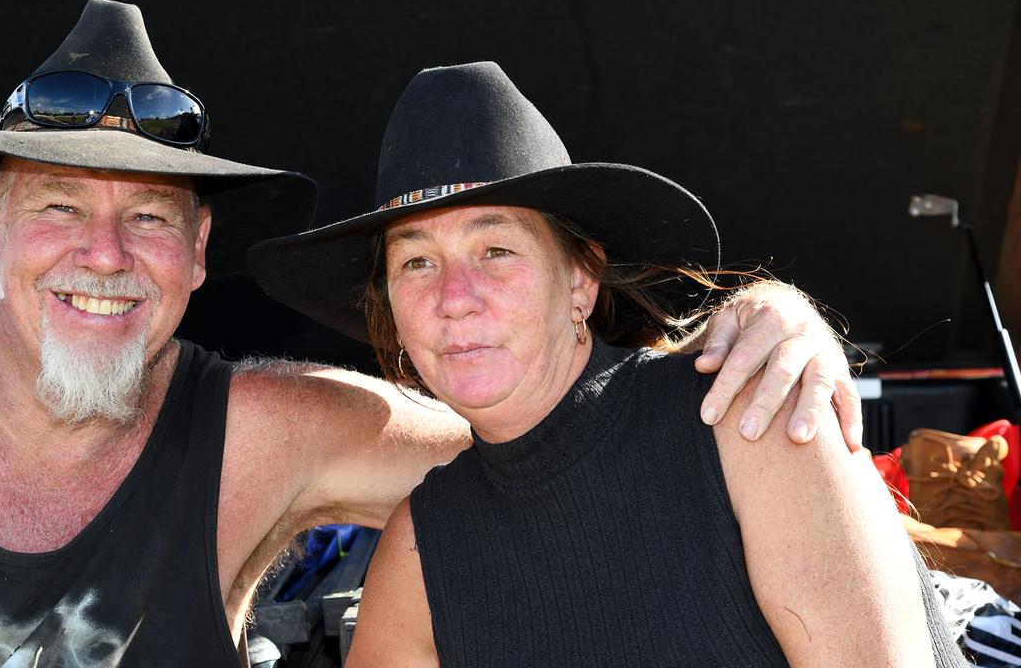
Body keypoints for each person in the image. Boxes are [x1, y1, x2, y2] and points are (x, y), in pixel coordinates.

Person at [0, 0, 854, 666]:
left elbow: (563, 436)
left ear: (197, 251)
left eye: (148, 218)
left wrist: (765, 324)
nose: (105, 255)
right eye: (58, 208)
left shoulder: (276, 430)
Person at [248, 62, 967, 667]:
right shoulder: (421, 549)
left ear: (582, 280)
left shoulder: (748, 416)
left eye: (495, 250)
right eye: (416, 261)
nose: (454, 299)